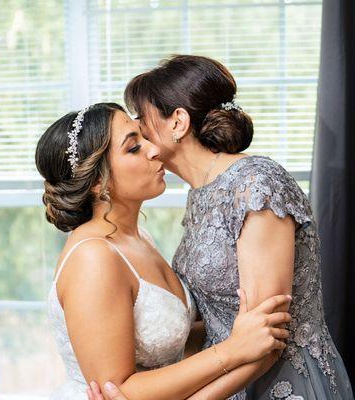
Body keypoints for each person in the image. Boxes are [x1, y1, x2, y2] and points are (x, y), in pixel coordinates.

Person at [105, 54, 352, 399]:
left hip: (281, 383)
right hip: (226, 379)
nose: (138, 131)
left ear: (177, 122)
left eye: (141, 119)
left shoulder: (256, 185)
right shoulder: (201, 193)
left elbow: (267, 340)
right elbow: (221, 318)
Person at [35, 103, 292, 400]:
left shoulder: (137, 236)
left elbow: (171, 340)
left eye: (144, 137)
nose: (154, 149)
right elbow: (118, 391)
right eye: (133, 148)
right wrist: (233, 350)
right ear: (95, 181)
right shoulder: (94, 257)